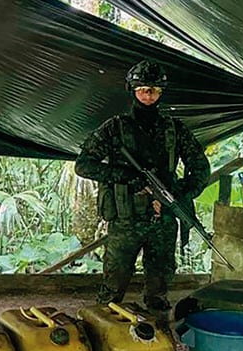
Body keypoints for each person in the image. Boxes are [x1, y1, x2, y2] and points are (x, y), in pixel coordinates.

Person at [75, 59, 210, 318]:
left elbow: (200, 168)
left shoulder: (174, 129)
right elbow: (84, 165)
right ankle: (102, 338)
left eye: (154, 90)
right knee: (112, 290)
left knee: (158, 293)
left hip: (163, 221)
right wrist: (125, 177)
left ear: (161, 92)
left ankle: (157, 341)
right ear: (133, 90)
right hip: (126, 221)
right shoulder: (115, 128)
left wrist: (180, 194)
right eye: (143, 89)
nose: (148, 95)